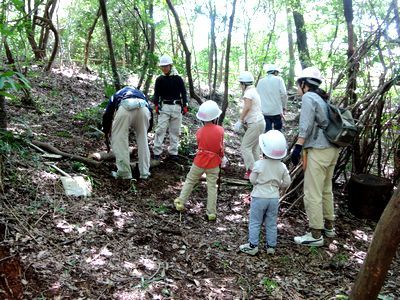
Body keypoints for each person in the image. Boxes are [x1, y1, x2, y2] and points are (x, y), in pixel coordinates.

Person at [290, 66, 340, 247]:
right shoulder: (323, 98)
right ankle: (329, 226)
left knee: (312, 192)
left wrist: (298, 147)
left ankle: (315, 234)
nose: (297, 88)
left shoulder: (309, 97)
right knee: (326, 189)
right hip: (332, 149)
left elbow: (306, 125)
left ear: (304, 84)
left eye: (298, 84)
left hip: (318, 150)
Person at [239, 130, 291, 256]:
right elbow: (287, 182)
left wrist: (258, 183)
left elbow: (252, 180)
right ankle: (271, 246)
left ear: (263, 149)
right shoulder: (282, 166)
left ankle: (253, 245)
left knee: (255, 221)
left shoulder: (259, 164)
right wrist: (278, 186)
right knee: (271, 222)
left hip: (259, 197)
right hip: (273, 198)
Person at [174, 100, 224, 221]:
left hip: (200, 161)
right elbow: (220, 148)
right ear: (215, 117)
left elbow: (199, 145)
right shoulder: (220, 130)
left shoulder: (199, 132)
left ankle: (181, 202)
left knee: (190, 180)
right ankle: (211, 212)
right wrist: (221, 157)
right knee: (212, 186)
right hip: (214, 163)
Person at [102, 86, 153, 180]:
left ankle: (124, 173)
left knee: (120, 140)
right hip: (143, 109)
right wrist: (148, 129)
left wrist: (105, 129)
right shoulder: (141, 94)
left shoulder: (117, 94)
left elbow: (108, 114)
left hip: (125, 108)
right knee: (143, 140)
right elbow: (150, 110)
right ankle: (144, 172)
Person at [153, 54, 188, 162]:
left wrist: (185, 105)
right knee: (160, 130)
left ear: (170, 65)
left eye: (166, 66)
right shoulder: (159, 79)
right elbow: (156, 94)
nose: (164, 68)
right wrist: (156, 105)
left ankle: (173, 152)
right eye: (162, 66)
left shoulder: (178, 79)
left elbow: (183, 92)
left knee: (175, 131)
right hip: (165, 106)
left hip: (177, 107)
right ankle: (157, 152)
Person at [233, 71, 265, 180]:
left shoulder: (248, 93)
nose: (240, 86)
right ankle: (259, 171)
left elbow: (247, 107)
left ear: (243, 84)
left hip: (255, 123)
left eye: (240, 83)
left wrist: (240, 120)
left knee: (245, 147)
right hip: (260, 122)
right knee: (255, 148)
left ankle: (252, 171)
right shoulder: (253, 91)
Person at [256, 64, 288, 132]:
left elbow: (257, 96)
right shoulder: (279, 79)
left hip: (264, 112)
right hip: (276, 111)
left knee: (267, 132)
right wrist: (284, 107)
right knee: (278, 131)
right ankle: (279, 142)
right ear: (275, 72)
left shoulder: (261, 81)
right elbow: (284, 94)